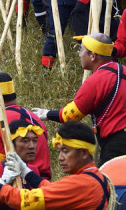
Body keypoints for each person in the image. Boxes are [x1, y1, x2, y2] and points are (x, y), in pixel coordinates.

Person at [31, 33, 126, 164]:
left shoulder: (95, 81)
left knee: (109, 182)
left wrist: (46, 114)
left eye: (81, 50)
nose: (79, 54)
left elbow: (70, 116)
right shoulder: (123, 70)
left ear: (93, 56)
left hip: (117, 144)